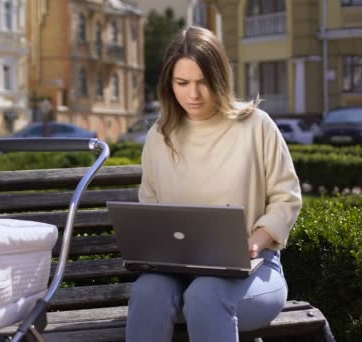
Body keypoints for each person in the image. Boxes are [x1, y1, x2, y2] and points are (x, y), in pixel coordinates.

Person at [127, 26, 302, 341]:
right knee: (147, 292)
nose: (193, 95)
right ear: (169, 83)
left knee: (205, 296)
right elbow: (150, 208)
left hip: (255, 271)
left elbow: (286, 199)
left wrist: (254, 242)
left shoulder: (256, 126)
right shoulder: (158, 136)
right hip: (177, 274)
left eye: (203, 83)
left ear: (220, 79)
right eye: (182, 83)